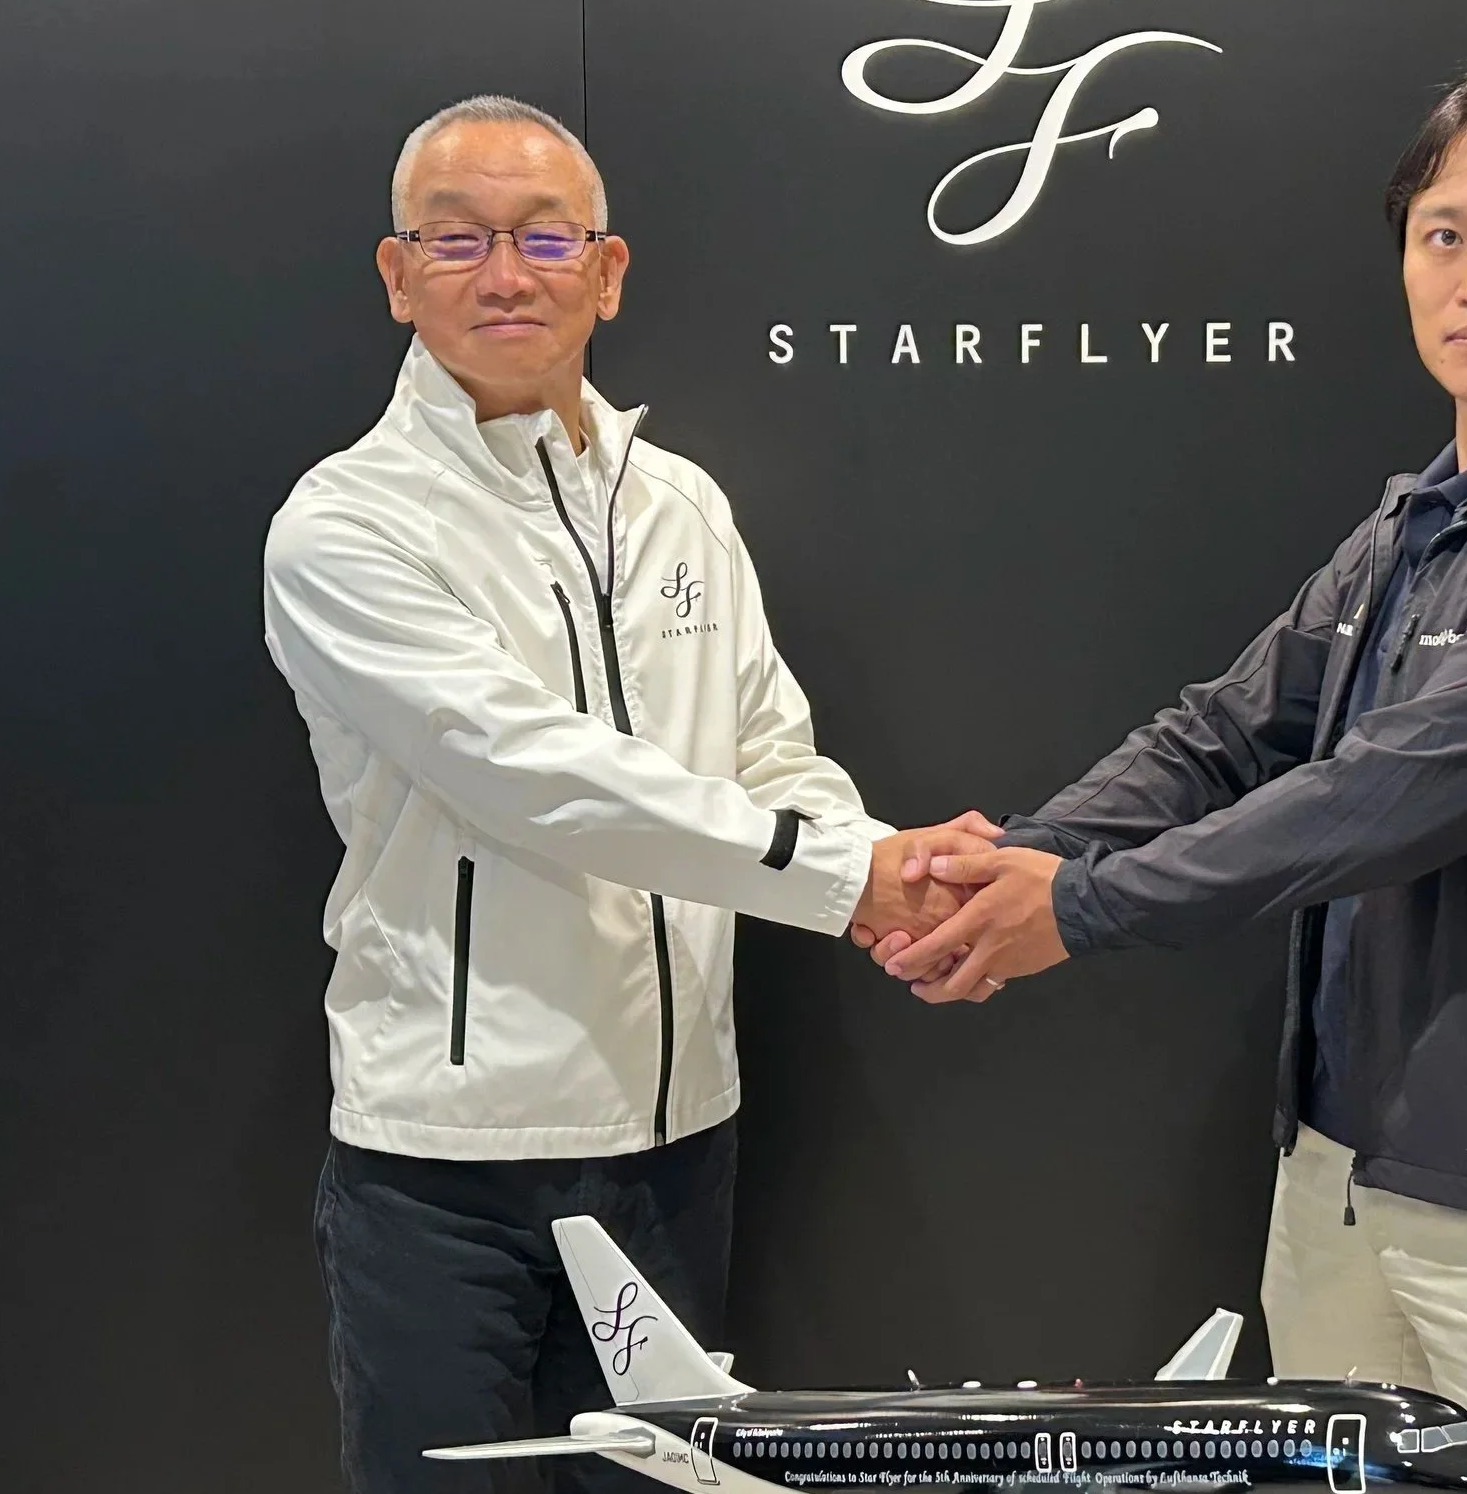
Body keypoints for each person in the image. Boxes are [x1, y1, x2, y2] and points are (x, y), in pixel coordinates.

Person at [871, 59, 1467, 1492]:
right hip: (1332, 1183)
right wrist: (996, 857)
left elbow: (1384, 796)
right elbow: (1223, 730)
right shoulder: (1410, 524)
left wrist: (1073, 905)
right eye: (1444, 234)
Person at [263, 95, 988, 1492]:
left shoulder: (683, 503)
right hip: (445, 1171)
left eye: (545, 235)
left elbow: (767, 745)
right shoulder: (346, 522)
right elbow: (535, 773)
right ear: (395, 272)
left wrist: (883, 871)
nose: (505, 271)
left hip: (675, 1151)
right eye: (456, 237)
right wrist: (852, 879)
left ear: (608, 270)